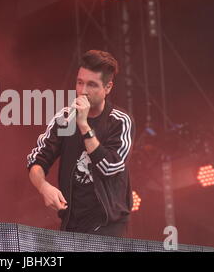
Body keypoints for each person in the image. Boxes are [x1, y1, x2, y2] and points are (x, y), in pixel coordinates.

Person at [27, 50, 135, 237]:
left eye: (92, 85)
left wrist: (84, 125)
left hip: (109, 226)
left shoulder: (119, 121)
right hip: (72, 224)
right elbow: (36, 160)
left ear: (108, 88)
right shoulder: (65, 119)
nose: (83, 90)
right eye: (80, 82)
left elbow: (109, 167)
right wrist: (43, 187)